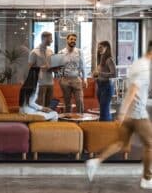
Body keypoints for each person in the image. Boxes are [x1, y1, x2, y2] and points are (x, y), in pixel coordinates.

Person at [86, 40, 152, 189]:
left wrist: (124, 111)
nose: (99, 49)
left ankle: (95, 162)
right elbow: (133, 90)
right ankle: (147, 178)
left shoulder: (138, 63)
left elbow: (127, 86)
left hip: (130, 113)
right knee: (150, 144)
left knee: (120, 143)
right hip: (137, 114)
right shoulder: (144, 68)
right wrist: (122, 112)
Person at [58, 33, 87, 113]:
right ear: (67, 40)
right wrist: (60, 79)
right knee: (67, 103)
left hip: (76, 80)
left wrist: (85, 79)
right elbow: (59, 67)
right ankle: (68, 122)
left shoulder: (79, 52)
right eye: (71, 39)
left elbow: (83, 66)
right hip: (65, 80)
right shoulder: (61, 52)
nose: (73, 41)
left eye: (74, 40)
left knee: (80, 101)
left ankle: (80, 120)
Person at [28, 31, 54, 107]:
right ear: (44, 38)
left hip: (50, 82)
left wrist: (55, 68)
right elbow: (30, 68)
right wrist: (41, 68)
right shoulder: (34, 52)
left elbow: (51, 65)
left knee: (49, 107)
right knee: (40, 106)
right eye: (50, 39)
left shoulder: (51, 51)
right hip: (40, 83)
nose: (52, 41)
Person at [93, 41, 116, 121]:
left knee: (104, 111)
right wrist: (96, 76)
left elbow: (114, 74)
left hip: (107, 87)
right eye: (98, 47)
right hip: (100, 85)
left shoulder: (109, 59)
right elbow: (101, 73)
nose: (98, 49)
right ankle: (105, 128)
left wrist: (100, 73)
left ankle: (105, 129)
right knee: (103, 110)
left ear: (106, 48)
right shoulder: (100, 59)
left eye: (101, 47)